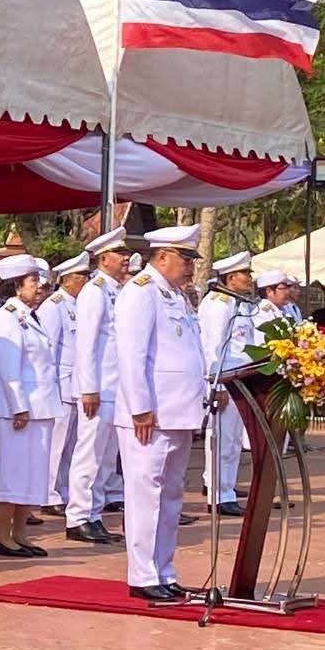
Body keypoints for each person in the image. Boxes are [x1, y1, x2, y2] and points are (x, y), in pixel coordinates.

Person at [114, 225, 209, 601]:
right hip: (150, 415)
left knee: (170, 495)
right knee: (145, 494)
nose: (189, 267)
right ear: (163, 256)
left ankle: (164, 570)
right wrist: (140, 408)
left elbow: (188, 352)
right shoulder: (141, 292)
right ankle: (142, 574)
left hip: (178, 412)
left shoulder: (175, 295)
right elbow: (131, 355)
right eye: (185, 259)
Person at [0, 255, 58, 557]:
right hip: (18, 410)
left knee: (31, 473)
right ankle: (3, 535)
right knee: (15, 473)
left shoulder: (30, 315)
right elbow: (8, 368)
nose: (40, 287)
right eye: (33, 282)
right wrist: (18, 407)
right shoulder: (7, 317)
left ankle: (20, 532)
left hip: (38, 407)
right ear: (18, 286)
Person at [66, 228, 129, 546]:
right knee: (89, 453)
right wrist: (88, 388)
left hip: (116, 387)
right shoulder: (94, 291)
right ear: (104, 259)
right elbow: (86, 343)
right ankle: (78, 516)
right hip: (98, 387)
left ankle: (94, 514)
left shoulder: (118, 290)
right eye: (120, 254)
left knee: (106, 456)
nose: (127, 258)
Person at [197, 252, 259, 517]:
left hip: (239, 378)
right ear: (231, 277)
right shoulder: (219, 304)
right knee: (221, 438)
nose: (250, 279)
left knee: (232, 439)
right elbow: (212, 347)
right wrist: (217, 386)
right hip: (224, 380)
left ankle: (226, 488)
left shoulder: (239, 303)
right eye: (245, 274)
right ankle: (218, 493)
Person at [34, 251, 87, 518]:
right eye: (81, 276)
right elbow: (48, 350)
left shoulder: (80, 305)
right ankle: (48, 493)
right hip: (60, 384)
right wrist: (49, 388)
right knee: (56, 444)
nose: (85, 281)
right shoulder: (54, 306)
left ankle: (63, 490)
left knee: (71, 445)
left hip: (76, 385)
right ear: (66, 279)